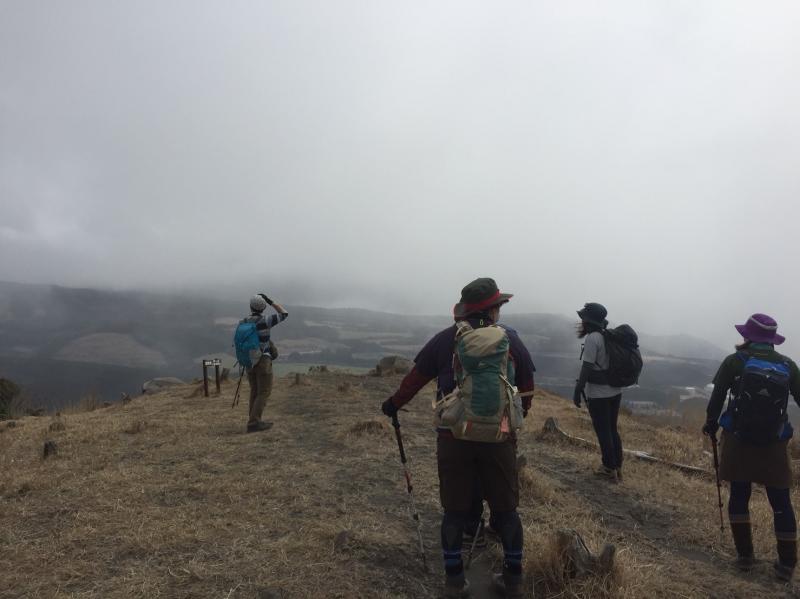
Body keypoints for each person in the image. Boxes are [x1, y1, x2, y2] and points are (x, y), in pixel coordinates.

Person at [380, 278, 536, 598]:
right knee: (506, 511)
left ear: (465, 309)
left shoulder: (445, 339)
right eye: (498, 306)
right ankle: (513, 579)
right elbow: (527, 387)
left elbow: (415, 379)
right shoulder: (510, 340)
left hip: (453, 435)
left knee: (453, 511)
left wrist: (393, 405)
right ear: (492, 310)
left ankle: (454, 580)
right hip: (499, 437)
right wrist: (509, 420)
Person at [703, 313, 800, 581]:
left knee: (739, 494)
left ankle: (745, 557)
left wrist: (711, 423)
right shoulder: (788, 365)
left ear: (748, 336)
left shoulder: (734, 361)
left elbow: (717, 395)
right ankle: (787, 564)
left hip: (739, 437)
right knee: (781, 502)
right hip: (774, 442)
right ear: (772, 340)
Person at [572, 302, 624, 482]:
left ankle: (609, 468)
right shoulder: (607, 335)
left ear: (588, 321)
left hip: (599, 394)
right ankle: (617, 466)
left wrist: (578, 390)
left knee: (603, 431)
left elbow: (587, 367)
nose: (581, 322)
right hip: (615, 391)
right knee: (612, 429)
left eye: (583, 319)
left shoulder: (592, 338)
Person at [241, 293, 288, 433]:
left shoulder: (243, 322)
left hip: (249, 361)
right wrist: (270, 301)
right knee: (264, 392)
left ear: (250, 306)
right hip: (263, 360)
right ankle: (254, 422)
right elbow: (284, 313)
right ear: (263, 307)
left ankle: (253, 420)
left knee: (254, 391)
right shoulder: (266, 320)